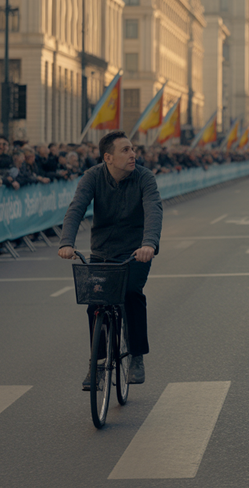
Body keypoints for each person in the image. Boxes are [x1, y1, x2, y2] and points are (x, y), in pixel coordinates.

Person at [59, 131, 162, 390]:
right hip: (102, 251)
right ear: (108, 157)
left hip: (135, 252)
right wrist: (66, 242)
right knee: (95, 302)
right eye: (125, 150)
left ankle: (136, 357)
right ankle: (97, 363)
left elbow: (153, 210)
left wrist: (149, 244)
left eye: (132, 149)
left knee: (131, 294)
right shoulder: (92, 177)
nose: (133, 154)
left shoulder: (144, 177)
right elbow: (76, 208)